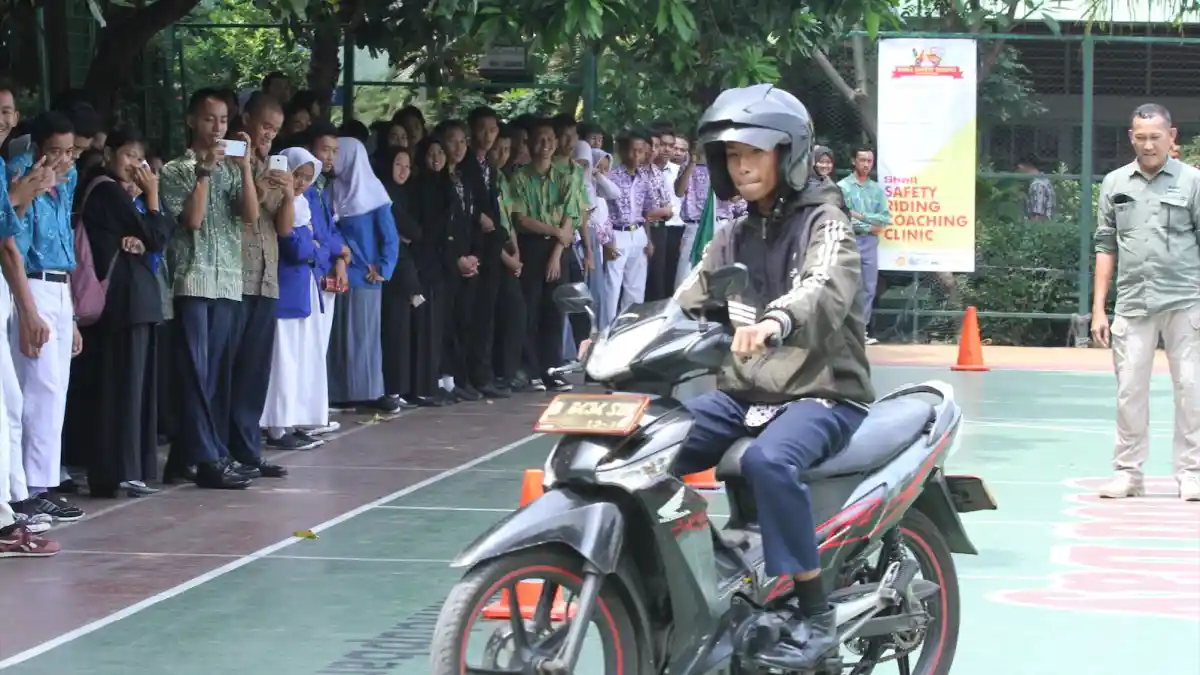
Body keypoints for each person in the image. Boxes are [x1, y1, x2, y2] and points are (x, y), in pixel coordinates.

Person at [673, 84, 875, 670]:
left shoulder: (826, 223)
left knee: (768, 461)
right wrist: (616, 336)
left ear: (788, 154)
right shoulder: (733, 234)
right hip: (745, 393)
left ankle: (815, 614)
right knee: (653, 444)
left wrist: (775, 321)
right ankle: (708, 573)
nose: (742, 167)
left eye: (754, 154)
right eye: (732, 156)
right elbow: (685, 301)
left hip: (823, 392)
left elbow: (823, 287)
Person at [1090, 103, 1200, 502]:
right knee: (1129, 392)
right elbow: (1105, 246)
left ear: (1172, 137)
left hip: (1186, 301)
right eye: (1141, 137)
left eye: (1156, 137)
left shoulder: (1193, 182)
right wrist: (1099, 309)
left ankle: (1192, 474)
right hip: (1133, 303)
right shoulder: (1115, 183)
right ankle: (1128, 473)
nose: (1148, 145)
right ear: (1130, 137)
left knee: (1191, 389)